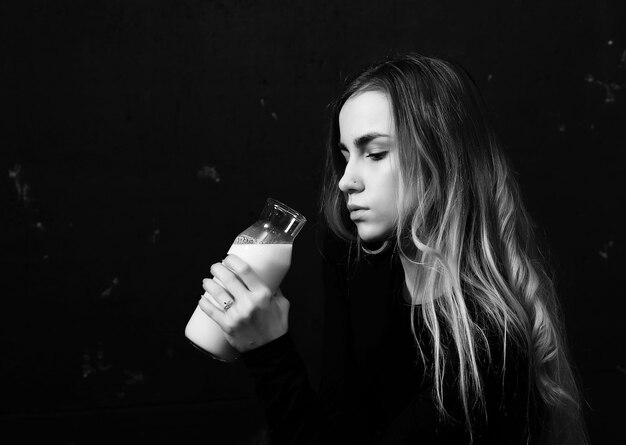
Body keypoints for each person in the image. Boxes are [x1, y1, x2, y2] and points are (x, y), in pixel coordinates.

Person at [197, 53, 589, 444]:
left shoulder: (490, 342)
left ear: (443, 158)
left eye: (376, 153)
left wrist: (269, 352)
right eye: (345, 155)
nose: (346, 180)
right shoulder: (355, 264)